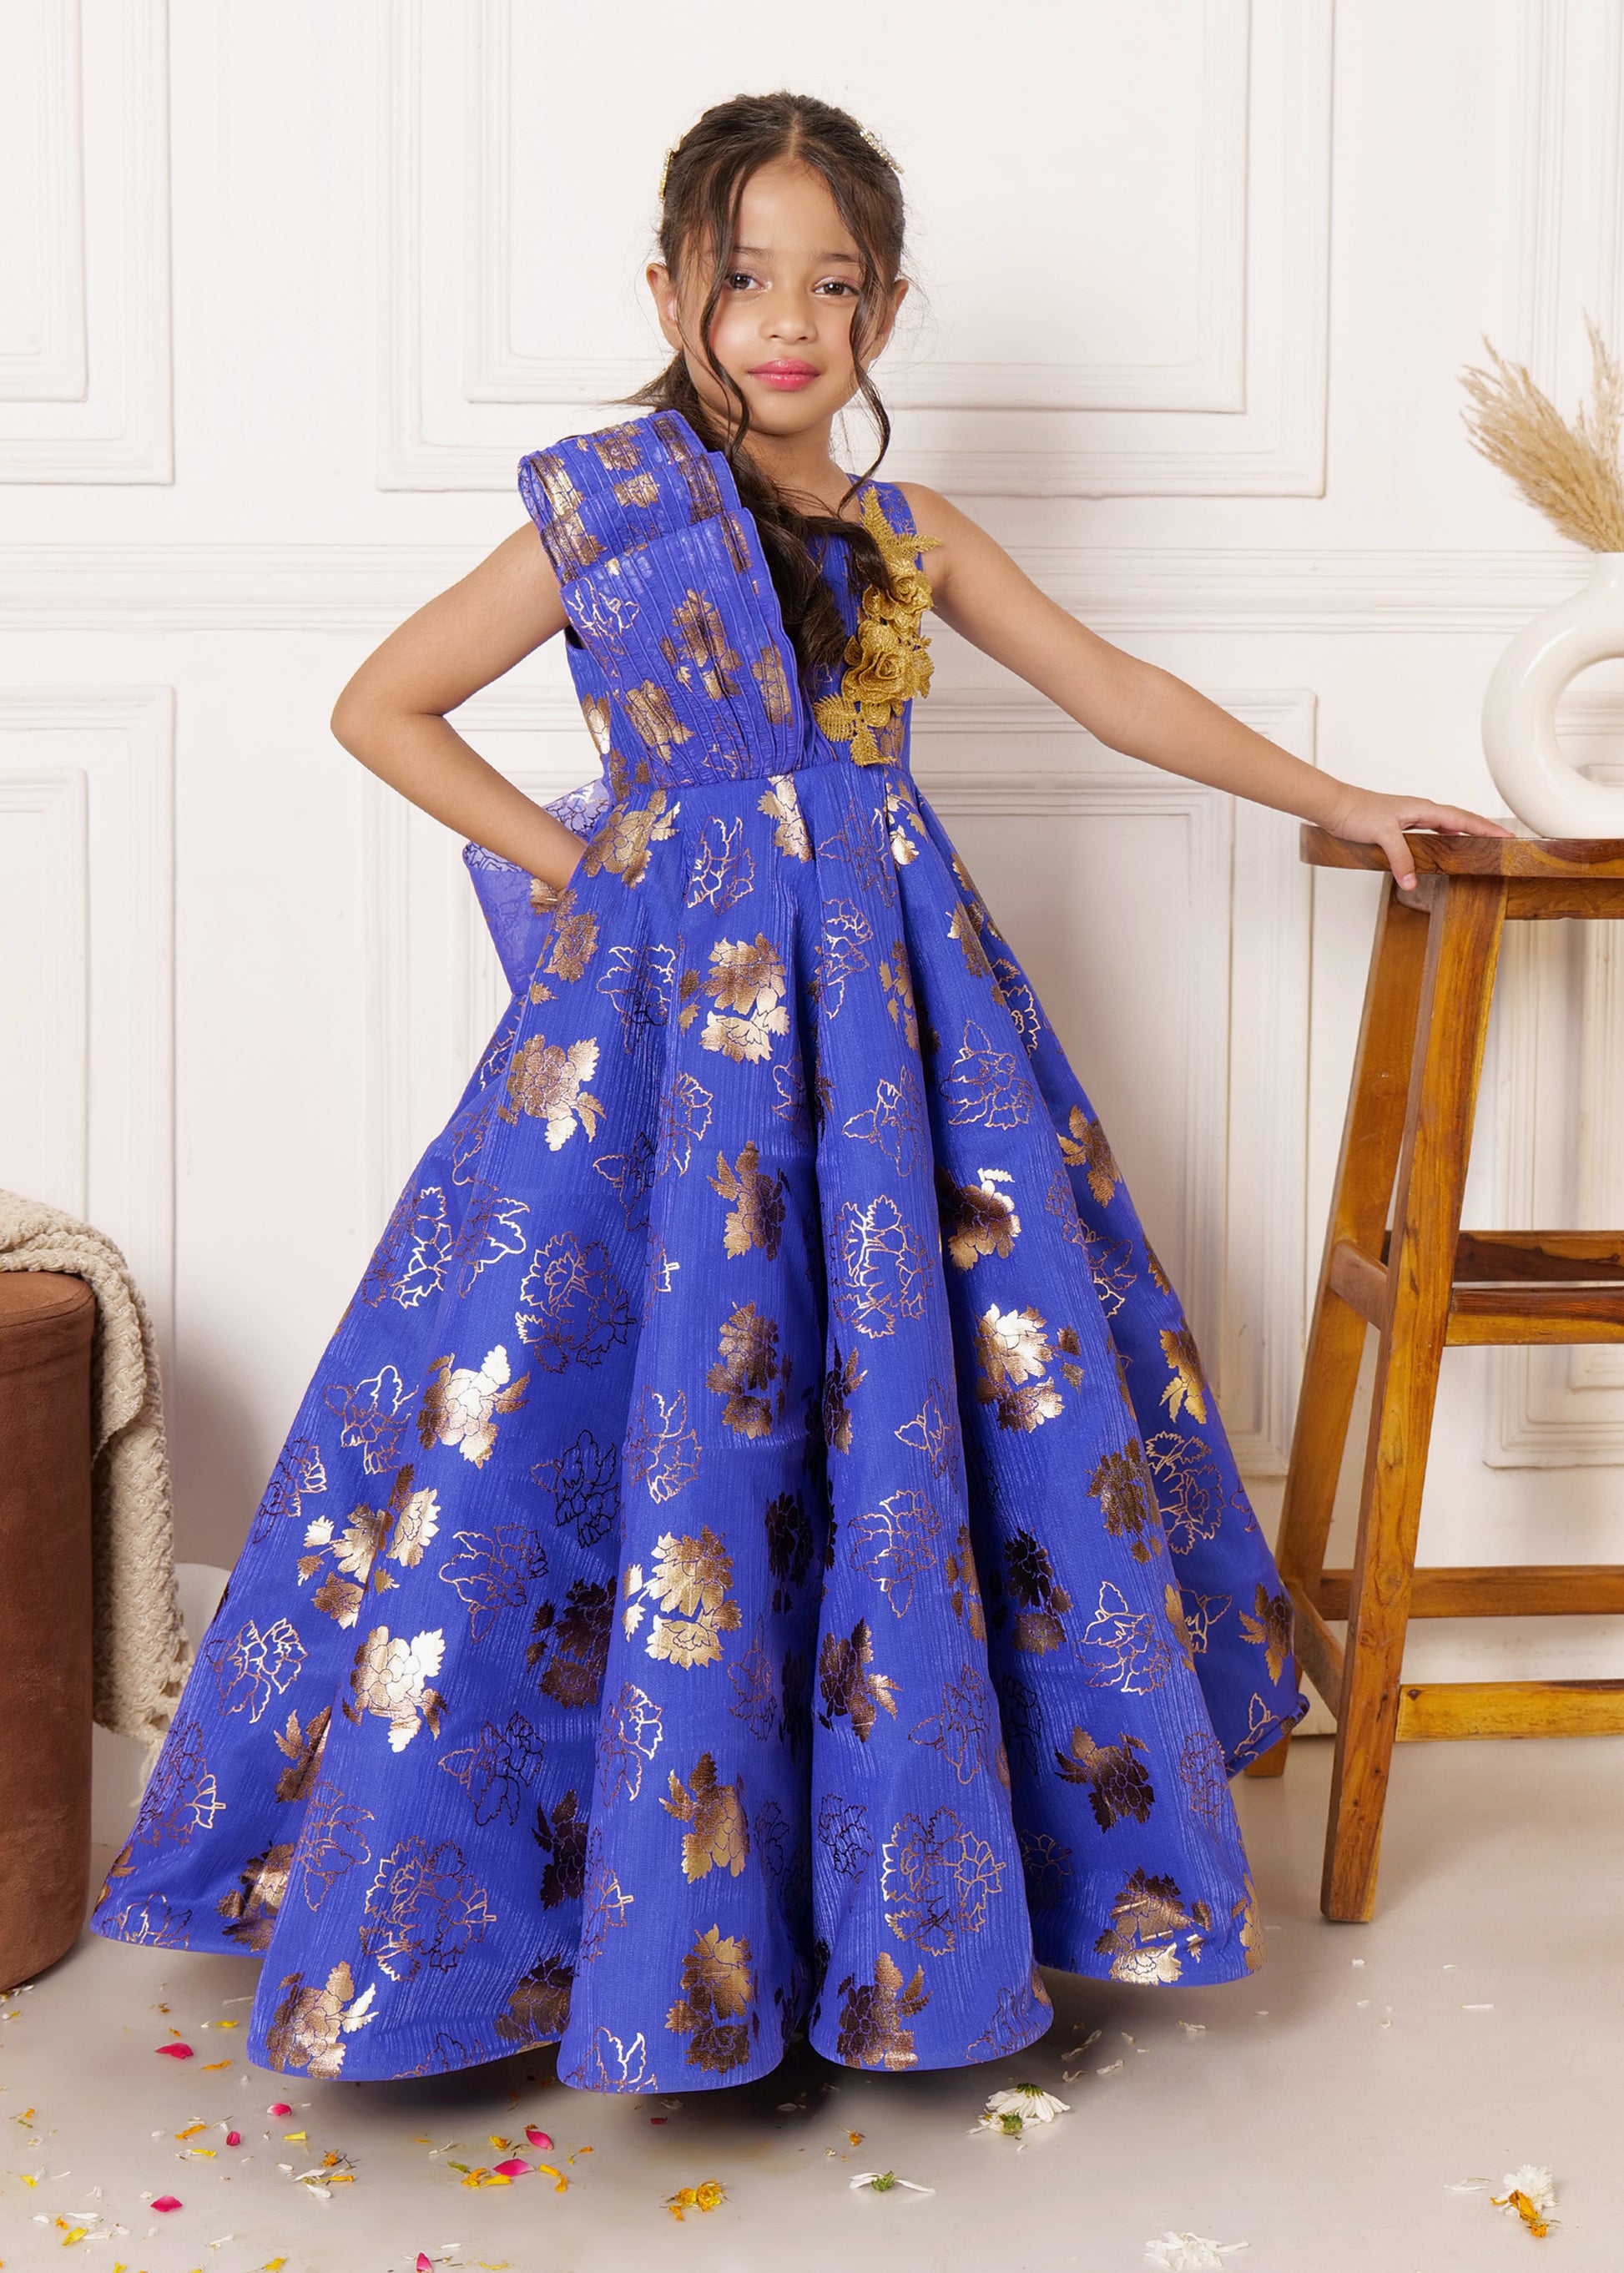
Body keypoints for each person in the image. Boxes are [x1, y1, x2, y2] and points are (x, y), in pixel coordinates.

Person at [93, 92, 1508, 2090]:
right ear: (669, 293)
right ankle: (589, 1907)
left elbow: (1116, 690)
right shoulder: (606, 509)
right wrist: (591, 865)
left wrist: (1343, 796)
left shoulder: (902, 536)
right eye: (743, 277)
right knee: (628, 1419)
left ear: (888, 312)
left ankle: (907, 1891)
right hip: (666, 1058)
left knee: (910, 1413)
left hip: (891, 1047)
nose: (785, 320)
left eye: (831, 285)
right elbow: (379, 704)